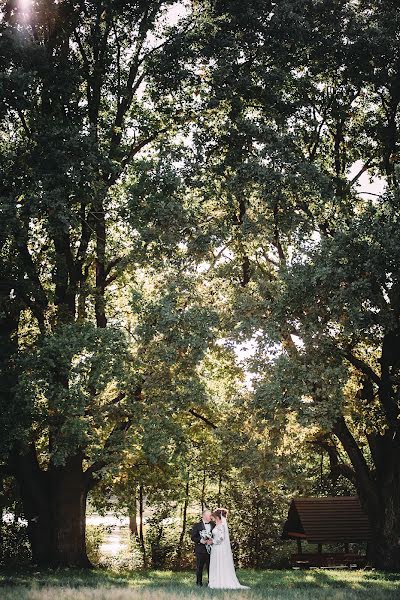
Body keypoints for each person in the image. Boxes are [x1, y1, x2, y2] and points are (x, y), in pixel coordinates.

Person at [208, 508, 249, 589]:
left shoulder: (222, 525)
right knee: (216, 564)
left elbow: (221, 538)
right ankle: (215, 580)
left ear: (218, 517)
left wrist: (212, 541)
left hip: (220, 548)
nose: (214, 518)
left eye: (215, 517)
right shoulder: (217, 525)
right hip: (216, 548)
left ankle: (221, 581)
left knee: (220, 563)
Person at [190, 509, 215, 586]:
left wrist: (212, 540)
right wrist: (200, 540)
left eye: (211, 515)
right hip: (200, 550)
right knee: (199, 567)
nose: (210, 517)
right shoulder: (197, 526)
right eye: (209, 515)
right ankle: (198, 583)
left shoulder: (214, 525)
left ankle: (211, 583)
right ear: (203, 516)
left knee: (211, 568)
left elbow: (217, 536)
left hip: (212, 550)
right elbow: (193, 537)